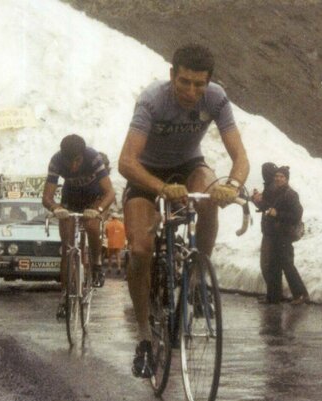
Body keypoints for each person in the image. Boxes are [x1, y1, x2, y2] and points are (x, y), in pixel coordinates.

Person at [118, 43, 249, 378]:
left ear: (209, 83)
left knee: (209, 195)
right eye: (185, 82)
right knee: (140, 250)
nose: (192, 91)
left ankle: (196, 275)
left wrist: (231, 186)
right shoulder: (152, 99)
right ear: (172, 75)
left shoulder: (216, 98)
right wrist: (161, 188)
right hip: (147, 175)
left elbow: (241, 158)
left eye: (199, 84)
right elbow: (126, 161)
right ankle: (145, 338)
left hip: (188, 165)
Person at [43, 134, 116, 314]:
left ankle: (97, 263)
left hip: (96, 198)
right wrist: (55, 208)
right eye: (69, 163)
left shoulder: (93, 157)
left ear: (83, 155)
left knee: (91, 225)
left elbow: (110, 193)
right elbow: (47, 197)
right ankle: (65, 295)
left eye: (77, 161)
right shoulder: (56, 161)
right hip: (71, 199)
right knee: (67, 246)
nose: (74, 166)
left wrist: (98, 210)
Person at [254, 166, 309, 305]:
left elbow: (296, 215)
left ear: (287, 179)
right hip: (273, 234)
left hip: (284, 235)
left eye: (282, 176)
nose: (278, 178)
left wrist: (277, 214)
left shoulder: (291, 194)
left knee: (287, 264)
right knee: (273, 265)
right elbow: (266, 207)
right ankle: (273, 297)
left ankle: (301, 295)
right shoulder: (274, 192)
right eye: (277, 176)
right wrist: (257, 200)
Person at [253, 162, 279, 303]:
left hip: (271, 231)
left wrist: (256, 201)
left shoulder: (271, 186)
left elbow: (267, 206)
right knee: (271, 264)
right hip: (272, 230)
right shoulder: (272, 185)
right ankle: (273, 295)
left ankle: (272, 296)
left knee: (267, 264)